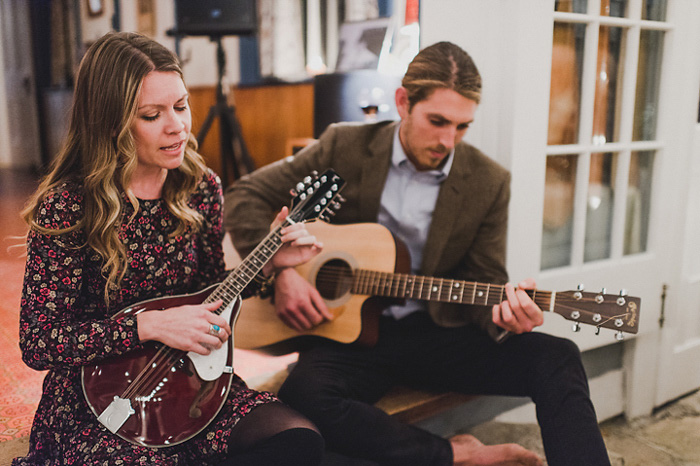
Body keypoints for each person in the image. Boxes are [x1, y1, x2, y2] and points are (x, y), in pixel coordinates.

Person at [224, 41, 611, 466]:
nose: (448, 140)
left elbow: (484, 279)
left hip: (435, 331)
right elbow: (245, 196)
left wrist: (505, 316)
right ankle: (454, 454)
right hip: (349, 335)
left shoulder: (488, 181)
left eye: (462, 126)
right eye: (437, 121)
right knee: (302, 396)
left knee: (558, 357)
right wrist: (284, 275)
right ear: (403, 102)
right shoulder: (345, 147)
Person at [14, 31, 325, 466]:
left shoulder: (200, 188)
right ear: (111, 122)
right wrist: (150, 325)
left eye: (181, 106)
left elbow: (211, 294)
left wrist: (269, 264)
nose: (177, 126)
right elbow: (40, 341)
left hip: (190, 382)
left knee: (299, 440)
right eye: (151, 114)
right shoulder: (68, 207)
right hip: (99, 397)